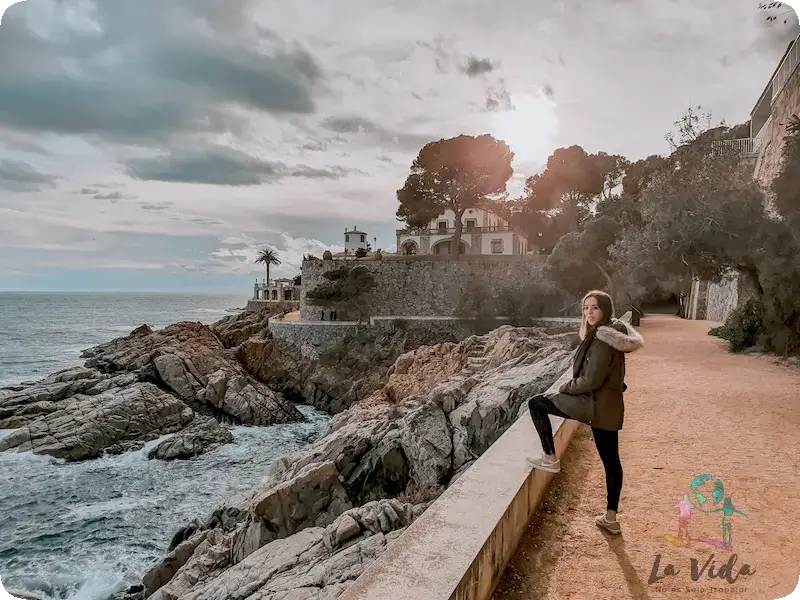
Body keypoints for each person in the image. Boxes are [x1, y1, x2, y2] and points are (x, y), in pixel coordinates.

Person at [525, 290, 644, 535]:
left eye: (595, 308)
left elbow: (590, 380)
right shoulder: (614, 331)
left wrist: (565, 386)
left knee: (537, 403)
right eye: (586, 308)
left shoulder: (602, 338)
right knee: (611, 460)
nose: (589, 313)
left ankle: (550, 458)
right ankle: (611, 517)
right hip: (608, 405)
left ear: (605, 310)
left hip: (594, 404)